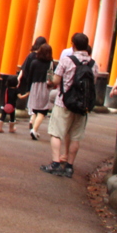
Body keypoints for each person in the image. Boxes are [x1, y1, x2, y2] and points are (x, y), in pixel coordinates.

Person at [41, 32, 99, 178]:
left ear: (73, 45)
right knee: (75, 137)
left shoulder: (67, 60)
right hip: (82, 106)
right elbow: (93, 84)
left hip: (64, 102)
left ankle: (55, 163)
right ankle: (69, 167)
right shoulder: (93, 64)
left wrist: (50, 81)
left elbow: (55, 81)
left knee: (56, 133)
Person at [25, 42, 53, 140]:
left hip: (34, 87)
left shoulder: (34, 62)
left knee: (34, 109)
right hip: (45, 88)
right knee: (42, 111)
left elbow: (30, 77)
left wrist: (28, 89)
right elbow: (50, 77)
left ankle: (32, 121)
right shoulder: (50, 63)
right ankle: (34, 130)